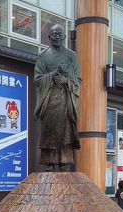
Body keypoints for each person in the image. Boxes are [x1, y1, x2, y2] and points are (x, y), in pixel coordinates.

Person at [34, 24, 81, 171]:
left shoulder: (72, 56)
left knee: (66, 131)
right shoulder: (43, 56)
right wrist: (54, 74)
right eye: (54, 34)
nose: (57, 37)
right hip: (49, 98)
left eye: (59, 34)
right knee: (50, 131)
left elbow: (78, 80)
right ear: (49, 37)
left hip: (66, 99)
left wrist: (66, 80)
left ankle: (65, 162)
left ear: (65, 37)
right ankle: (51, 163)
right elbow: (38, 79)